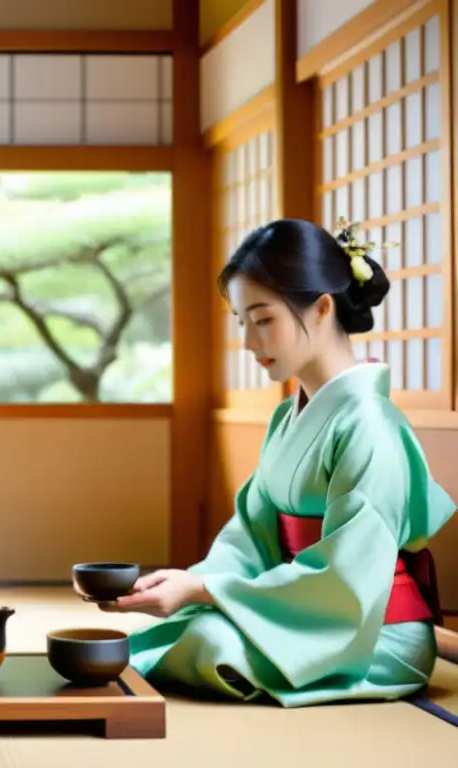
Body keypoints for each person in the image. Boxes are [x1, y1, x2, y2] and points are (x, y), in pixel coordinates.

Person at [94, 217, 454, 707]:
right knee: (187, 628)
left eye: (263, 320)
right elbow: (251, 534)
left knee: (209, 641)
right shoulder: (289, 416)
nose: (249, 342)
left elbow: (348, 578)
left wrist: (205, 590)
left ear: (323, 308)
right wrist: (190, 586)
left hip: (371, 631)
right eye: (242, 322)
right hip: (302, 614)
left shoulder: (370, 423)